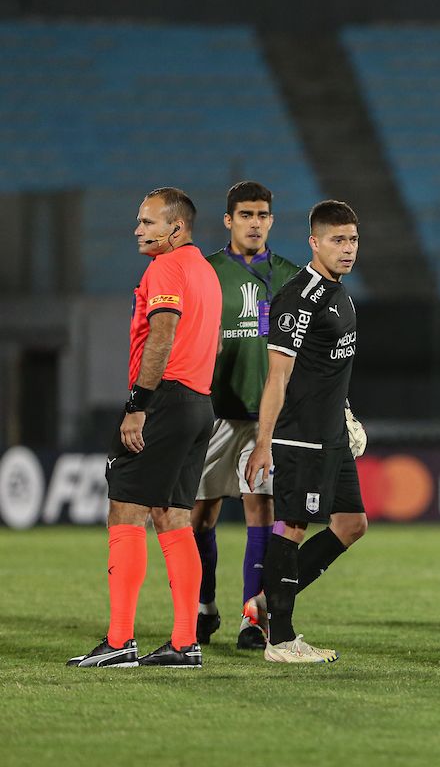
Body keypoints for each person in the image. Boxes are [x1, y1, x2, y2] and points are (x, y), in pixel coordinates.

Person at [68, 187, 221, 668]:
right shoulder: (207, 272)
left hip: (165, 401)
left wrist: (138, 404)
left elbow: (163, 332)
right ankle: (184, 643)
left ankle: (119, 642)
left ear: (176, 228)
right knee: (174, 518)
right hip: (198, 402)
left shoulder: (166, 268)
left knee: (124, 513)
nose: (138, 230)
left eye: (148, 222)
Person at [244, 200, 367, 664]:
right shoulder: (299, 297)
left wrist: (347, 411)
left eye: (353, 239)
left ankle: (264, 603)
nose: (348, 248)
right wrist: (263, 442)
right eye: (337, 240)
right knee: (292, 525)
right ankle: (281, 638)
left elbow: (328, 368)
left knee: (352, 524)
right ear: (314, 243)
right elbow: (277, 377)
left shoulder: (341, 293)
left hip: (333, 433)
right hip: (302, 436)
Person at [191, 181, 301, 650]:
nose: (254, 222)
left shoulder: (291, 276)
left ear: (272, 220)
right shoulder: (206, 271)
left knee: (262, 512)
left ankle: (250, 618)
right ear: (229, 221)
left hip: (266, 418)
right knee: (199, 518)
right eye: (246, 215)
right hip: (215, 412)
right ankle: (204, 605)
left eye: (262, 215)